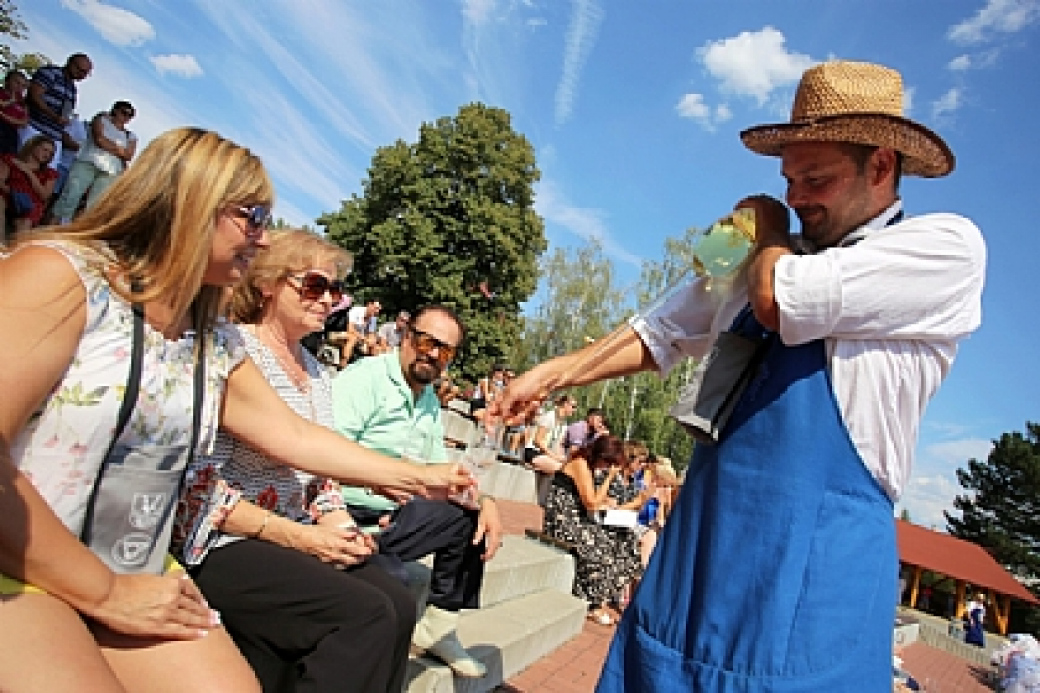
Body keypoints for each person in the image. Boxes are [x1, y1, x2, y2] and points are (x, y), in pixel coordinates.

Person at [494, 60, 986, 691]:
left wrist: (770, 232)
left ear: (882, 166)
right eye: (788, 179)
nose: (797, 195)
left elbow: (783, 300)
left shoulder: (943, 249)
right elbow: (661, 330)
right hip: (704, 538)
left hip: (813, 563)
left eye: (818, 178)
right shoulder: (770, 255)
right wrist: (551, 375)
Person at [0, 127, 471, 692]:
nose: (265, 239)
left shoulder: (212, 341)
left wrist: (424, 477)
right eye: (252, 216)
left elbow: (296, 439)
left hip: (134, 568)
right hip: (23, 560)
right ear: (192, 202)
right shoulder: (60, 276)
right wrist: (103, 592)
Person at [176, 228, 419, 692]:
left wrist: (341, 527)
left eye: (335, 290)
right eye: (314, 286)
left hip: (290, 532)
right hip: (226, 537)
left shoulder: (317, 373)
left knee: (399, 603)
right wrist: (304, 538)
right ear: (267, 283)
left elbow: (318, 479)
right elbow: (198, 482)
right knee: (363, 614)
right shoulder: (236, 349)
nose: (328, 299)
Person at [332, 305, 504, 679]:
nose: (432, 354)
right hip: (342, 509)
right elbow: (325, 454)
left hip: (396, 514)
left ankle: (439, 626)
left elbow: (443, 477)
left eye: (445, 350)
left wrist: (485, 502)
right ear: (407, 335)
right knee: (392, 589)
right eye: (427, 341)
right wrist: (383, 480)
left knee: (471, 519)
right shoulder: (366, 379)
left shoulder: (427, 400)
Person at [543, 435, 643, 627]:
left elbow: (590, 498)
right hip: (563, 521)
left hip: (577, 518)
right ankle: (592, 603)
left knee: (626, 541)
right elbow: (591, 502)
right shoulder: (580, 464)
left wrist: (606, 501)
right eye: (608, 463)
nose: (607, 468)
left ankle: (600, 597)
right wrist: (610, 479)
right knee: (601, 549)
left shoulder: (588, 467)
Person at [51, 101, 137, 223]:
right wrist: (119, 150)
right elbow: (99, 140)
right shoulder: (101, 119)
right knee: (70, 196)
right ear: (116, 110)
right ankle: (52, 225)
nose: (126, 117)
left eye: (130, 115)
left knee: (94, 206)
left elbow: (128, 155)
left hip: (110, 171)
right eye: (124, 112)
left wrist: (109, 145)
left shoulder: (130, 135)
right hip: (88, 161)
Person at [21, 53, 92, 168]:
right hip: (34, 127)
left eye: (86, 73)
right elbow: (34, 95)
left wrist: (64, 120)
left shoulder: (72, 89)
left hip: (54, 136)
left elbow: (67, 112)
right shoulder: (50, 73)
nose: (82, 75)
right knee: (22, 162)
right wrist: (53, 116)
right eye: (80, 70)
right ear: (71, 63)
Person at [0, 134, 58, 239]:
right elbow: (1, 180)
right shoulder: (12, 160)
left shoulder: (49, 173)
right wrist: (13, 193)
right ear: (33, 146)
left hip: (30, 203)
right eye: (45, 150)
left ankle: (16, 251)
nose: (47, 155)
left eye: (51, 153)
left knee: (25, 221)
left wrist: (28, 172)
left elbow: (44, 195)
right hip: (10, 195)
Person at [0, 69, 29, 155]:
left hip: (11, 133)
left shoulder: (23, 103)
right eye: (16, 82)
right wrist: (10, 101)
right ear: (8, 81)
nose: (19, 86)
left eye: (23, 85)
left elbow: (24, 122)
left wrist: (3, 115)